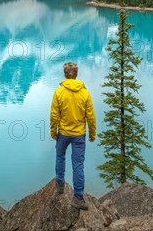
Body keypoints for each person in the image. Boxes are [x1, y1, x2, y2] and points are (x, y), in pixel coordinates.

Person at [49, 62, 96, 210]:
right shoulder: (85, 93)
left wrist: (53, 132)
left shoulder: (58, 92)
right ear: (76, 74)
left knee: (60, 157)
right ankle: (78, 198)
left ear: (65, 74)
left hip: (63, 133)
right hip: (79, 135)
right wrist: (92, 133)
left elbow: (54, 115)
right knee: (78, 165)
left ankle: (60, 184)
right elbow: (91, 116)